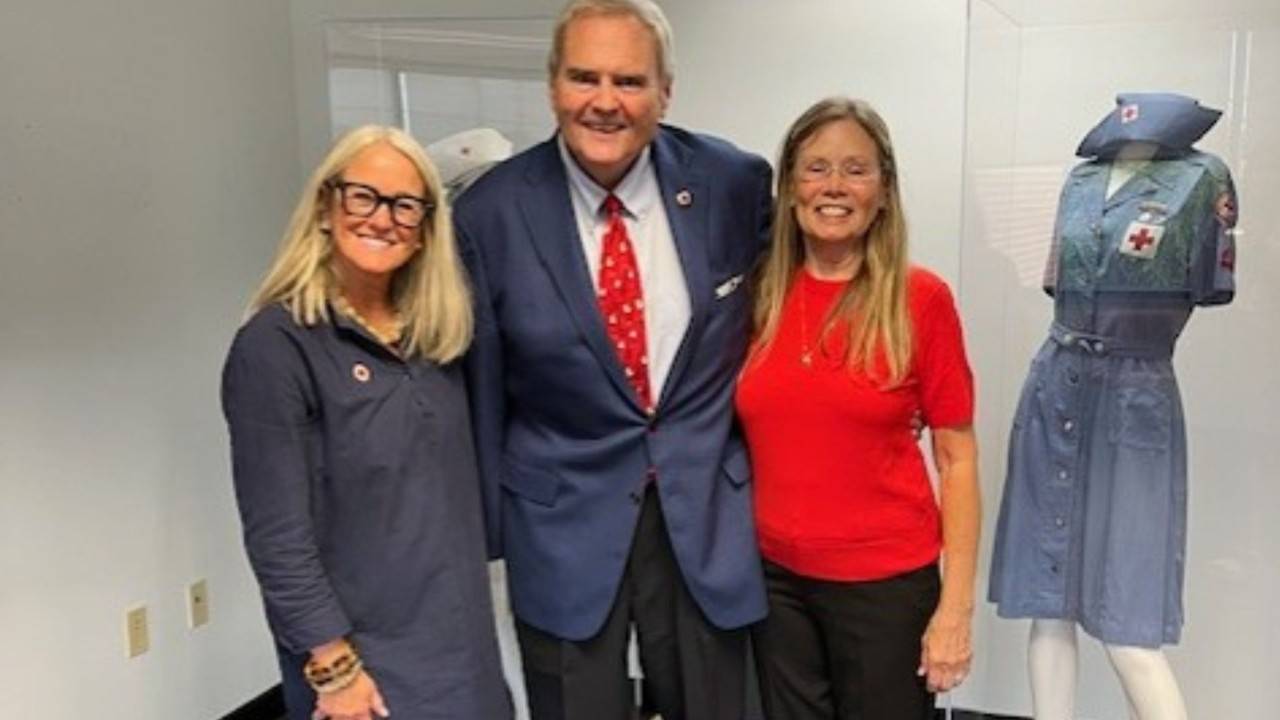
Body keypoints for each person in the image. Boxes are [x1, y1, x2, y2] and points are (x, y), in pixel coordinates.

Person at [451, 1, 772, 718]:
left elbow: (778, 324)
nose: (604, 102)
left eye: (629, 81)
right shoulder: (490, 214)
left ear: (665, 91)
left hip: (705, 513)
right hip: (560, 517)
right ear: (551, 86)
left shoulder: (733, 183)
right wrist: (486, 535)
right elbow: (481, 390)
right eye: (583, 77)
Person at [221, 125, 511, 720]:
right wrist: (334, 669)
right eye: (363, 196)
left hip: (463, 652)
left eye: (406, 206)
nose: (383, 219)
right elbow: (278, 537)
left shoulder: (439, 339)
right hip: (362, 667)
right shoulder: (276, 346)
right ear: (327, 205)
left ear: (427, 228)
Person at [988, 93, 1238, 720]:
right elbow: (1057, 279)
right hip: (1056, 383)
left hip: (1136, 393)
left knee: (1131, 619)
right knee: (1048, 601)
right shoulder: (1080, 180)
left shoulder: (1204, 178)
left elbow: (1209, 282)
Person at [735, 97, 981, 720]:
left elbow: (957, 459)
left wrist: (955, 610)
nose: (835, 186)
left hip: (886, 590)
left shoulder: (921, 300)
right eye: (816, 168)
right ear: (790, 185)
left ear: (884, 189)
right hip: (774, 582)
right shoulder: (757, 293)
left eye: (856, 169)